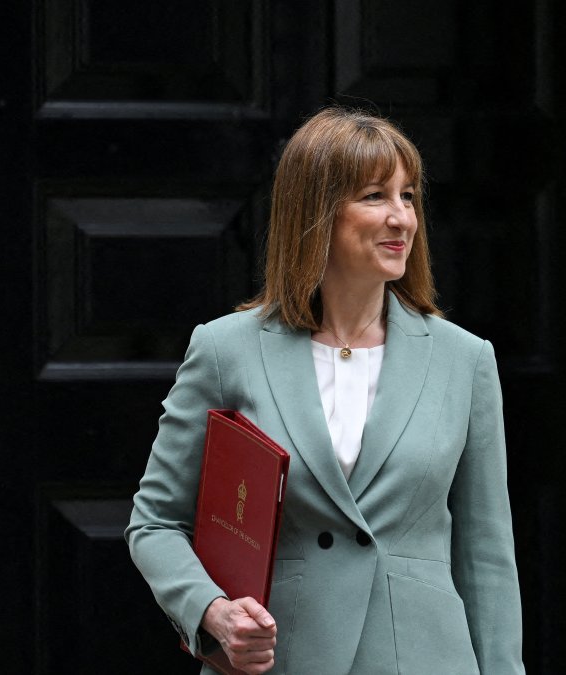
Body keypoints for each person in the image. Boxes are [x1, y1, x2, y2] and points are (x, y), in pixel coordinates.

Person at [126, 107, 525, 675]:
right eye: (374, 196)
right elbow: (156, 521)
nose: (401, 219)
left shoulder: (464, 359)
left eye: (408, 196)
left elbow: (487, 557)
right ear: (316, 213)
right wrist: (212, 612)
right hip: (283, 661)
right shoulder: (226, 350)